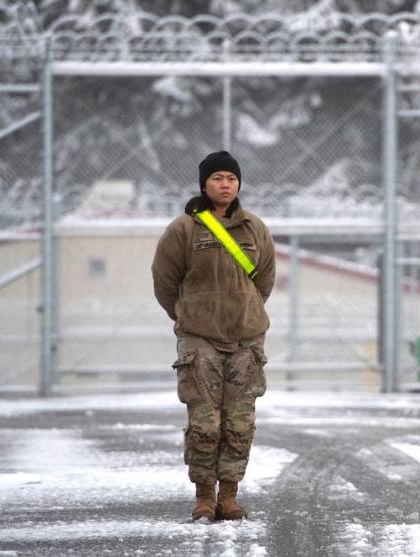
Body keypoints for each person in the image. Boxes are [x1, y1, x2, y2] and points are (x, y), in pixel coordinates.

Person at [152, 150, 276, 521]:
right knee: (205, 423)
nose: (226, 185)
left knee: (239, 423)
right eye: (218, 178)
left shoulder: (255, 229)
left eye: (232, 179)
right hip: (199, 339)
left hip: (246, 339)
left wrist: (245, 310)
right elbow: (165, 283)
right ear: (204, 184)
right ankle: (204, 496)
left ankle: (229, 496)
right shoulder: (183, 230)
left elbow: (264, 280)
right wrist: (189, 314)